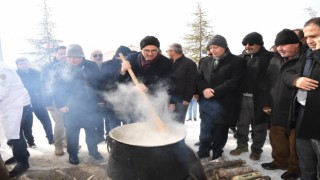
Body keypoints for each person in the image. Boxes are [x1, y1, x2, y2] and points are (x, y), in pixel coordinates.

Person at [197, 35, 246, 162]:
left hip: (225, 103)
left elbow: (234, 81)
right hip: (206, 103)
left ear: (224, 47)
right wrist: (204, 89)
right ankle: (203, 152)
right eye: (211, 47)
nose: (213, 50)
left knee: (220, 131)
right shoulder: (204, 61)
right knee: (205, 130)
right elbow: (199, 78)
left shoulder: (237, 61)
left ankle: (217, 154)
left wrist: (214, 91)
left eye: (216, 47)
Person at [52, 44, 103, 164]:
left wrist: (100, 99)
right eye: (69, 57)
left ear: (82, 56)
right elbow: (55, 87)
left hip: (90, 105)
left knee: (91, 131)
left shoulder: (91, 65)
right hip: (70, 107)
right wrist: (60, 104)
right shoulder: (59, 67)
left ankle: (93, 151)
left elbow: (98, 83)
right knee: (72, 133)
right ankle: (73, 154)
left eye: (75, 57)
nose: (72, 60)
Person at [283, 17, 320, 180]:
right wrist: (296, 80)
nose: (310, 41)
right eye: (306, 37)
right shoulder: (307, 55)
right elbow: (287, 73)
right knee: (306, 166)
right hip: (302, 120)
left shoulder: (314, 54)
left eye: (315, 36)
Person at [262, 29, 302, 180]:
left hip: (295, 107)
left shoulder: (305, 59)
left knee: (295, 141)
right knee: (276, 137)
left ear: (296, 44)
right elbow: (267, 82)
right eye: (278, 45)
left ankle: (294, 168)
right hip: (276, 105)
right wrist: (267, 102)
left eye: (284, 45)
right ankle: (279, 161)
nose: (280, 48)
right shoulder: (275, 60)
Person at [230, 32, 274, 160]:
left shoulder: (270, 57)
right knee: (241, 123)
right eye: (245, 44)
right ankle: (241, 145)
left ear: (259, 44)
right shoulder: (240, 58)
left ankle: (256, 150)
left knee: (259, 124)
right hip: (242, 97)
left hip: (261, 98)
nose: (247, 46)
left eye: (251, 44)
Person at [119, 36, 173, 123]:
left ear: (158, 50)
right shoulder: (131, 58)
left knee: (153, 129)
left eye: (154, 50)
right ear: (141, 49)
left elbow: (168, 84)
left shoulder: (166, 63)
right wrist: (123, 70)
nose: (150, 53)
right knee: (134, 129)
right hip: (133, 103)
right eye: (146, 50)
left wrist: (147, 88)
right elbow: (120, 81)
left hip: (155, 102)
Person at [0, 61, 31, 177]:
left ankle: (22, 163)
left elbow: (2, 91)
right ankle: (22, 154)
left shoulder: (3, 70)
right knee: (15, 133)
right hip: (10, 105)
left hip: (17, 105)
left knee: (15, 135)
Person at [16, 57, 54, 146]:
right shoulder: (15, 75)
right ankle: (31, 142)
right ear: (17, 66)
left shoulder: (36, 73)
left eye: (25, 63)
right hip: (24, 103)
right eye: (21, 64)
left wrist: (45, 98)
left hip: (38, 101)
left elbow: (44, 86)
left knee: (46, 121)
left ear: (28, 63)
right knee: (27, 124)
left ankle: (51, 138)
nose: (23, 65)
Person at [41, 45, 67, 155]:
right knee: (60, 123)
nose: (63, 56)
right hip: (55, 99)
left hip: (69, 99)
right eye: (61, 53)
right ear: (55, 54)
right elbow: (44, 85)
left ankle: (68, 142)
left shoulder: (69, 65)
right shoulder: (48, 67)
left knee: (69, 123)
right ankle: (58, 146)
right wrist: (48, 102)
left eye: (65, 53)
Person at [100, 46, 132, 135]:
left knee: (113, 127)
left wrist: (102, 98)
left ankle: (113, 146)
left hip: (110, 99)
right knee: (128, 127)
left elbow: (101, 83)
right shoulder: (127, 65)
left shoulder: (104, 64)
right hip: (126, 100)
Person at [166, 43, 197, 124]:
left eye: (168, 51)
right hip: (168, 98)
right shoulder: (168, 63)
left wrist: (187, 98)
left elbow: (192, 82)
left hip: (182, 100)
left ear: (173, 51)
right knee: (168, 123)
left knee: (178, 124)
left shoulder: (189, 63)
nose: (167, 53)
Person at [90, 49, 106, 143]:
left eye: (100, 55)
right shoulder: (86, 68)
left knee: (107, 118)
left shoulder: (106, 67)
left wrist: (103, 98)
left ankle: (107, 136)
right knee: (96, 118)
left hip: (106, 96)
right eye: (95, 56)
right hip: (92, 98)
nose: (98, 57)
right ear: (91, 57)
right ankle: (98, 137)